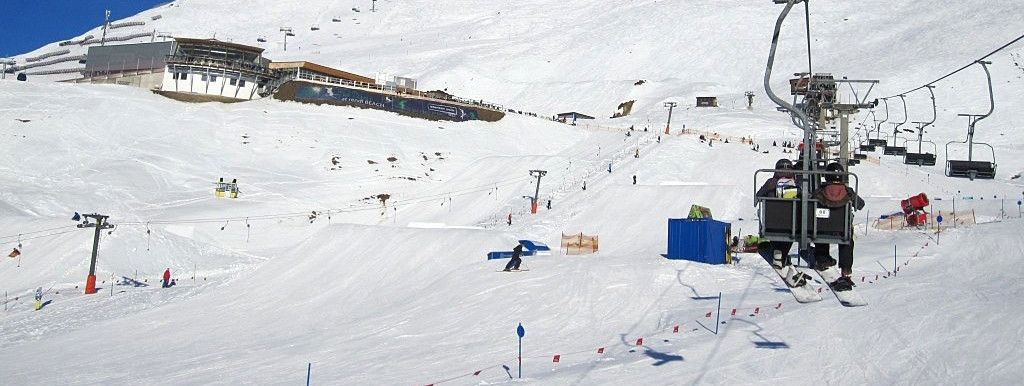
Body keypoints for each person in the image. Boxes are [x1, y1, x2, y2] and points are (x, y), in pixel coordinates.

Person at [755, 158, 811, 287]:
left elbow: (759, 195)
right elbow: (806, 196)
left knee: (774, 233)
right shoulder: (795, 183)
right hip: (790, 224)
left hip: (771, 222)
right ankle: (782, 255)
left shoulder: (770, 183)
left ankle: (777, 252)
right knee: (790, 235)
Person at [812, 162, 866, 291]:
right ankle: (846, 270)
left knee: (820, 227)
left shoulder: (820, 190)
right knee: (847, 240)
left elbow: (811, 201)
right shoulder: (847, 191)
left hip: (822, 230)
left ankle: (822, 258)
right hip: (841, 231)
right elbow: (860, 204)